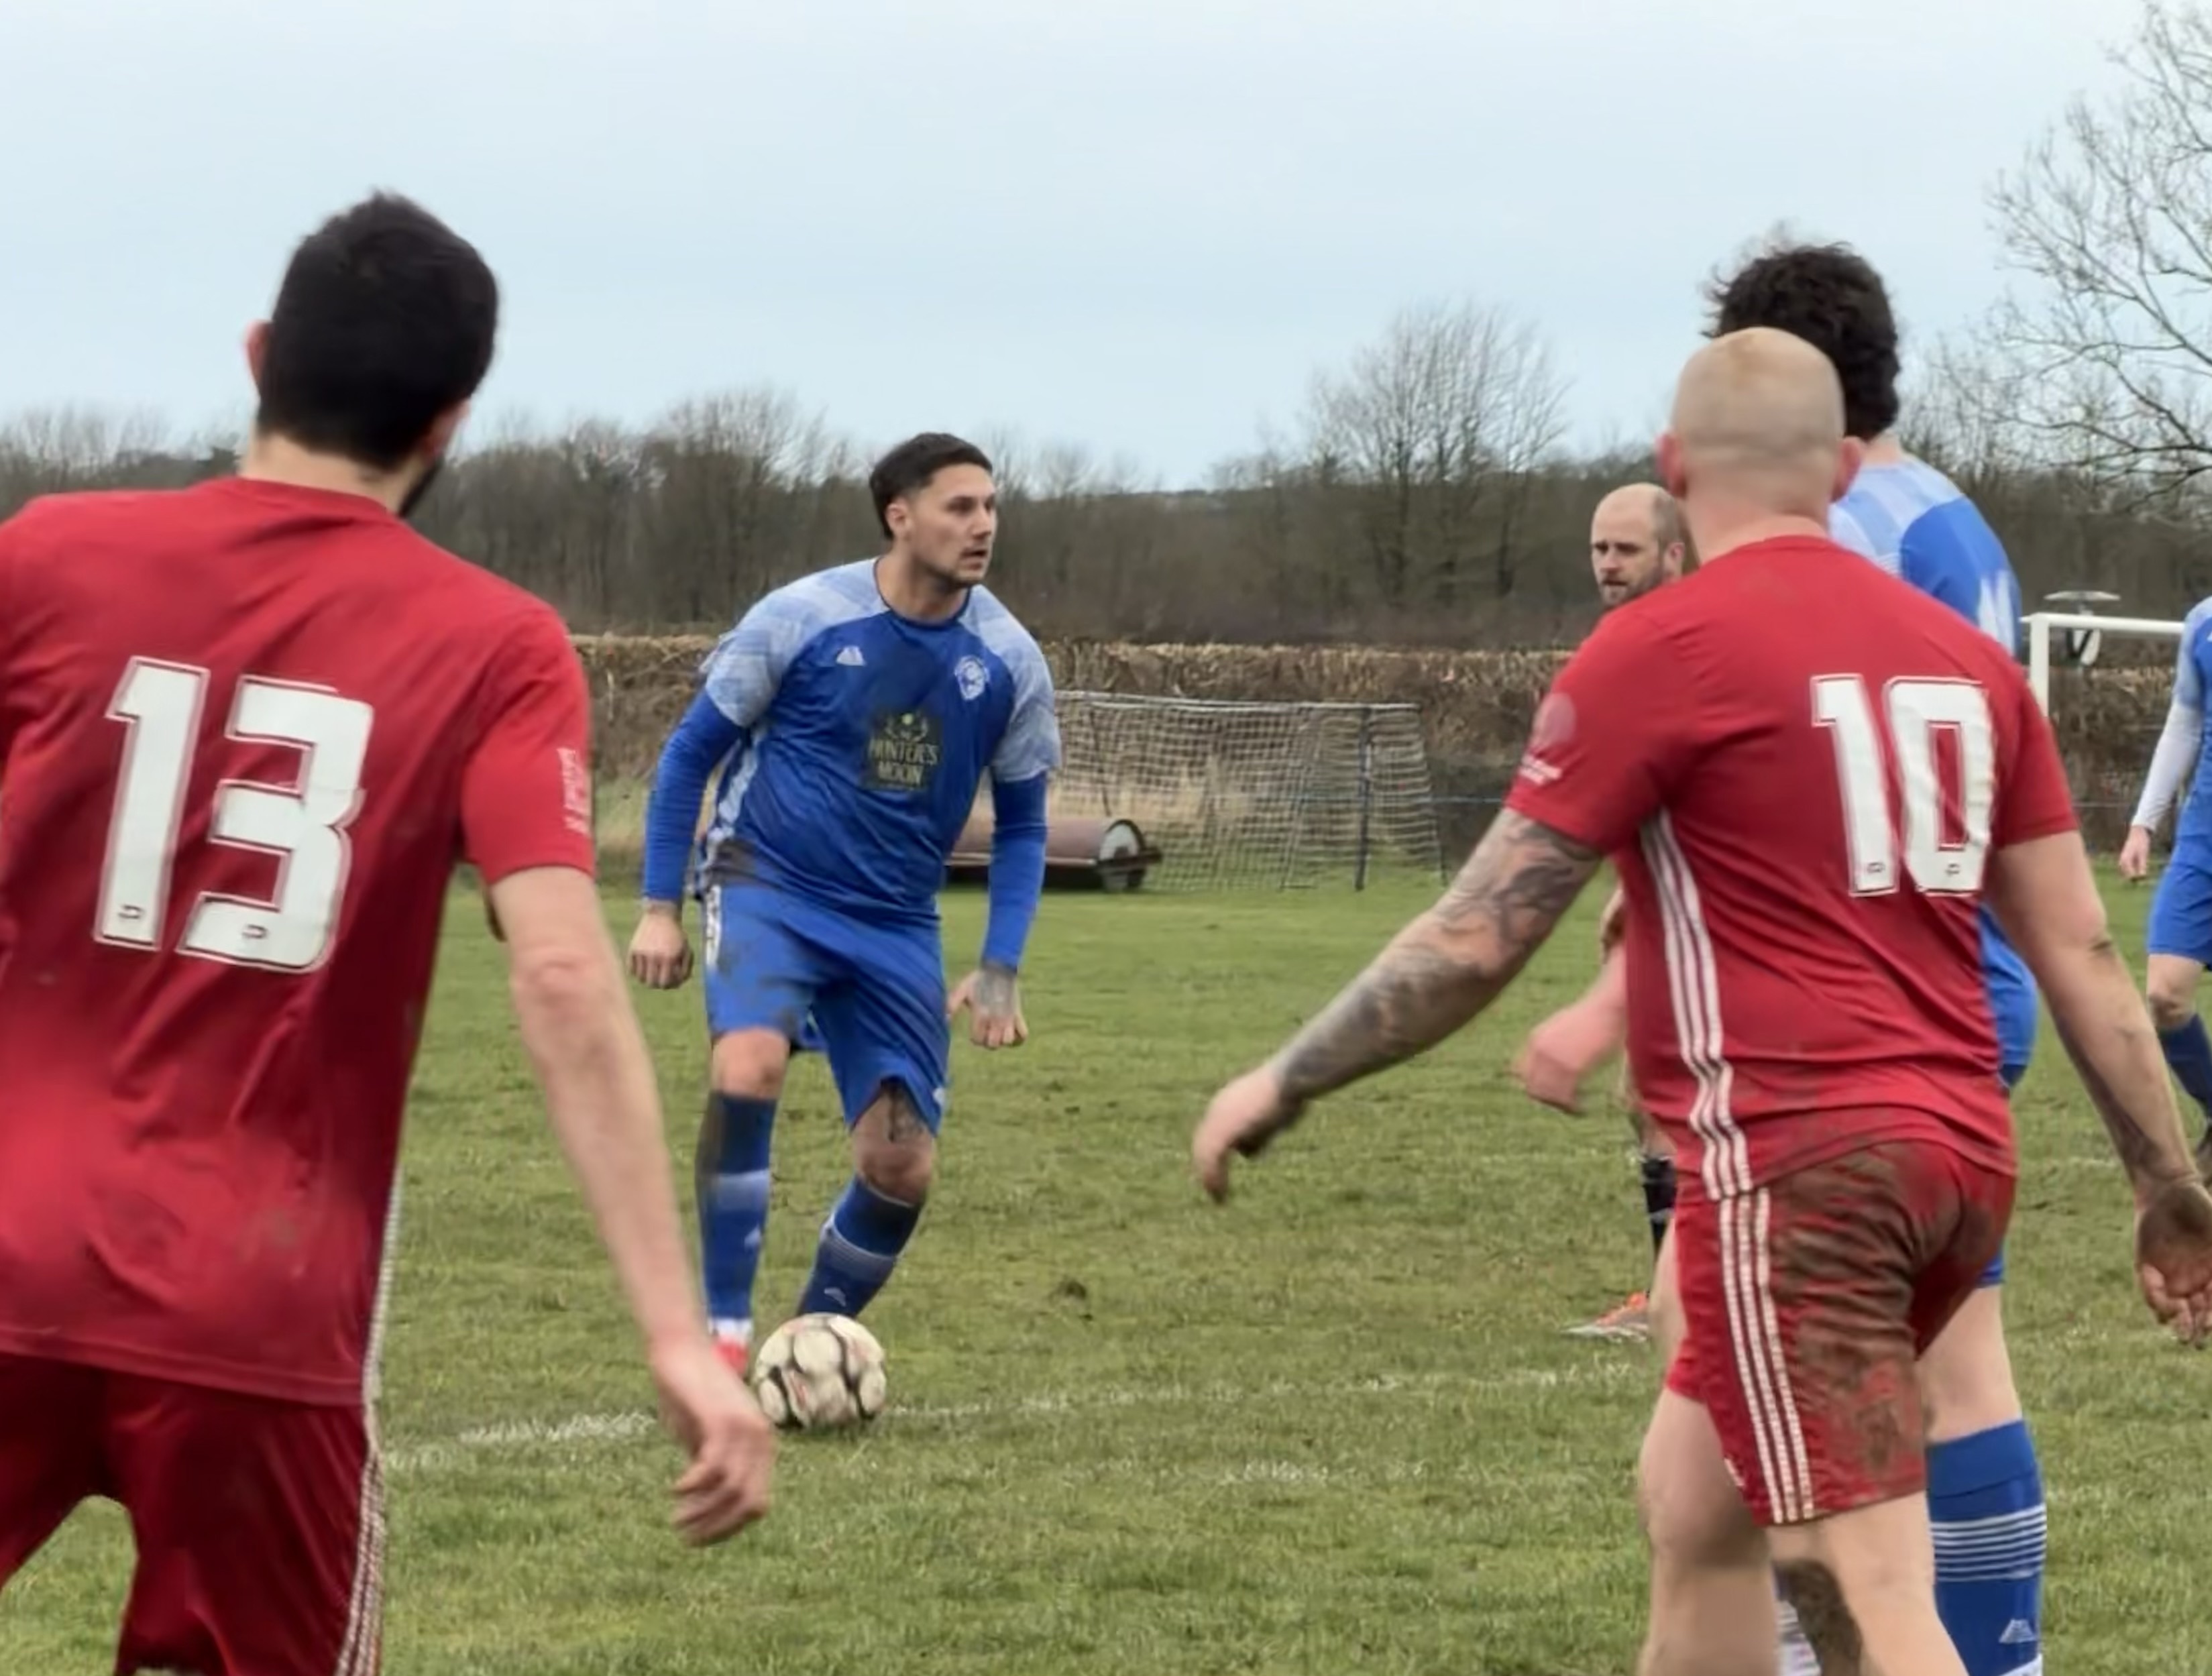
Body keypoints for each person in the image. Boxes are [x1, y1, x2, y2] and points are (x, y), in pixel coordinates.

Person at [1193, 326, 2212, 1676]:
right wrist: (2161, 1177)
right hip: (1959, 1155)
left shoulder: (1657, 649)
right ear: (1840, 469)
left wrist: (1284, 1078)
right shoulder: (1964, 663)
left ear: (1671, 471)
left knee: (1859, 1578)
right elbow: (2077, 946)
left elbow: (1477, 934)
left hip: (1798, 1174)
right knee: (1693, 1509)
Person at [0, 192, 773, 1676]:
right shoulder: (495, 645)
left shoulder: (44, 559)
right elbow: (561, 968)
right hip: (261, 1297)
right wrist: (678, 1333)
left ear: (256, 356)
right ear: (449, 424)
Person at [1527, 239, 2060, 1675]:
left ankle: (1846, 1646)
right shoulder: (1949, 518)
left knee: (1736, 1388)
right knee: (1927, 1371)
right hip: (1952, 982)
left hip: (1843, 1017)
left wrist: (1612, 994)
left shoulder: (1837, 534)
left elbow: (1784, 792)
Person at [626, 432, 1060, 1372]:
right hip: (766, 883)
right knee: (748, 1067)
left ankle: (807, 1341)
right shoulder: (801, 616)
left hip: (895, 922)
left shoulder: (1009, 660)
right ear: (899, 516)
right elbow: (689, 755)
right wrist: (660, 904)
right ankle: (723, 1340)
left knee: (900, 1166)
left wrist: (1000, 963)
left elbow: (1024, 826)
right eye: (959, 506)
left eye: (990, 506)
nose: (983, 525)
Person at [1565, 484, 1690, 1343]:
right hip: (1667, 901)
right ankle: (1673, 1297)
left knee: (1670, 1094)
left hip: (1713, 910)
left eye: (1626, 551)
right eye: (1599, 550)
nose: (1608, 565)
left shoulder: (1686, 646)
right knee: (1647, 1094)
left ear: (1673, 555)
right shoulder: (1626, 644)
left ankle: (1685, 1304)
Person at [2118, 599, 2212, 1184]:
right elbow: (2185, 721)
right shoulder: (2203, 623)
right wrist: (2143, 823)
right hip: (2204, 840)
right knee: (2165, 994)